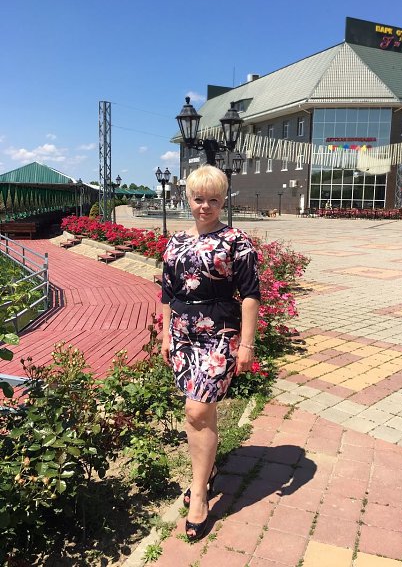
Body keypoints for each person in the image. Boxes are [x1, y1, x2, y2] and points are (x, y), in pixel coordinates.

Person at [161, 164, 261, 542]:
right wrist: (165, 336)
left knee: (196, 410)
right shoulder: (175, 242)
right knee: (202, 412)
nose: (205, 206)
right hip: (182, 334)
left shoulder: (236, 241)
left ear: (223, 201)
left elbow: (250, 294)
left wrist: (247, 344)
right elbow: (167, 292)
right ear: (188, 198)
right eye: (199, 198)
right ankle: (209, 469)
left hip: (219, 332)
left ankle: (199, 492)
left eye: (213, 200)